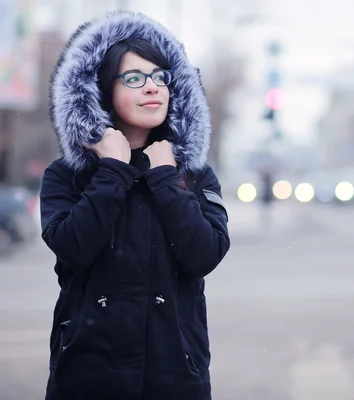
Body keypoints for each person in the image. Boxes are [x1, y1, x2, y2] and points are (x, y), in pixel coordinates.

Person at [39, 11, 230, 400]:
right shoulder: (67, 176)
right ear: (101, 89)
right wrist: (112, 170)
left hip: (174, 375)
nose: (152, 88)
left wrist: (164, 178)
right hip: (87, 375)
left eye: (161, 78)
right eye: (135, 78)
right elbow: (73, 247)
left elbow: (204, 255)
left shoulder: (192, 175)